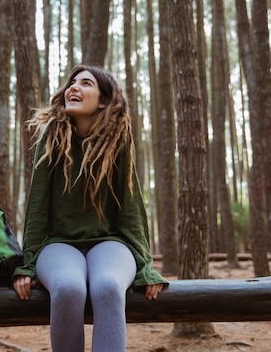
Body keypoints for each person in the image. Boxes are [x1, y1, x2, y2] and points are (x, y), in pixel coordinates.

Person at [13, 65, 167, 352]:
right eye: (72, 82)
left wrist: (145, 265)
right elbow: (37, 208)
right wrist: (28, 264)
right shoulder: (52, 137)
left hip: (110, 243)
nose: (74, 87)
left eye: (86, 83)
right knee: (69, 288)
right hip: (58, 244)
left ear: (104, 100)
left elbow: (131, 208)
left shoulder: (118, 140)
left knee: (108, 287)